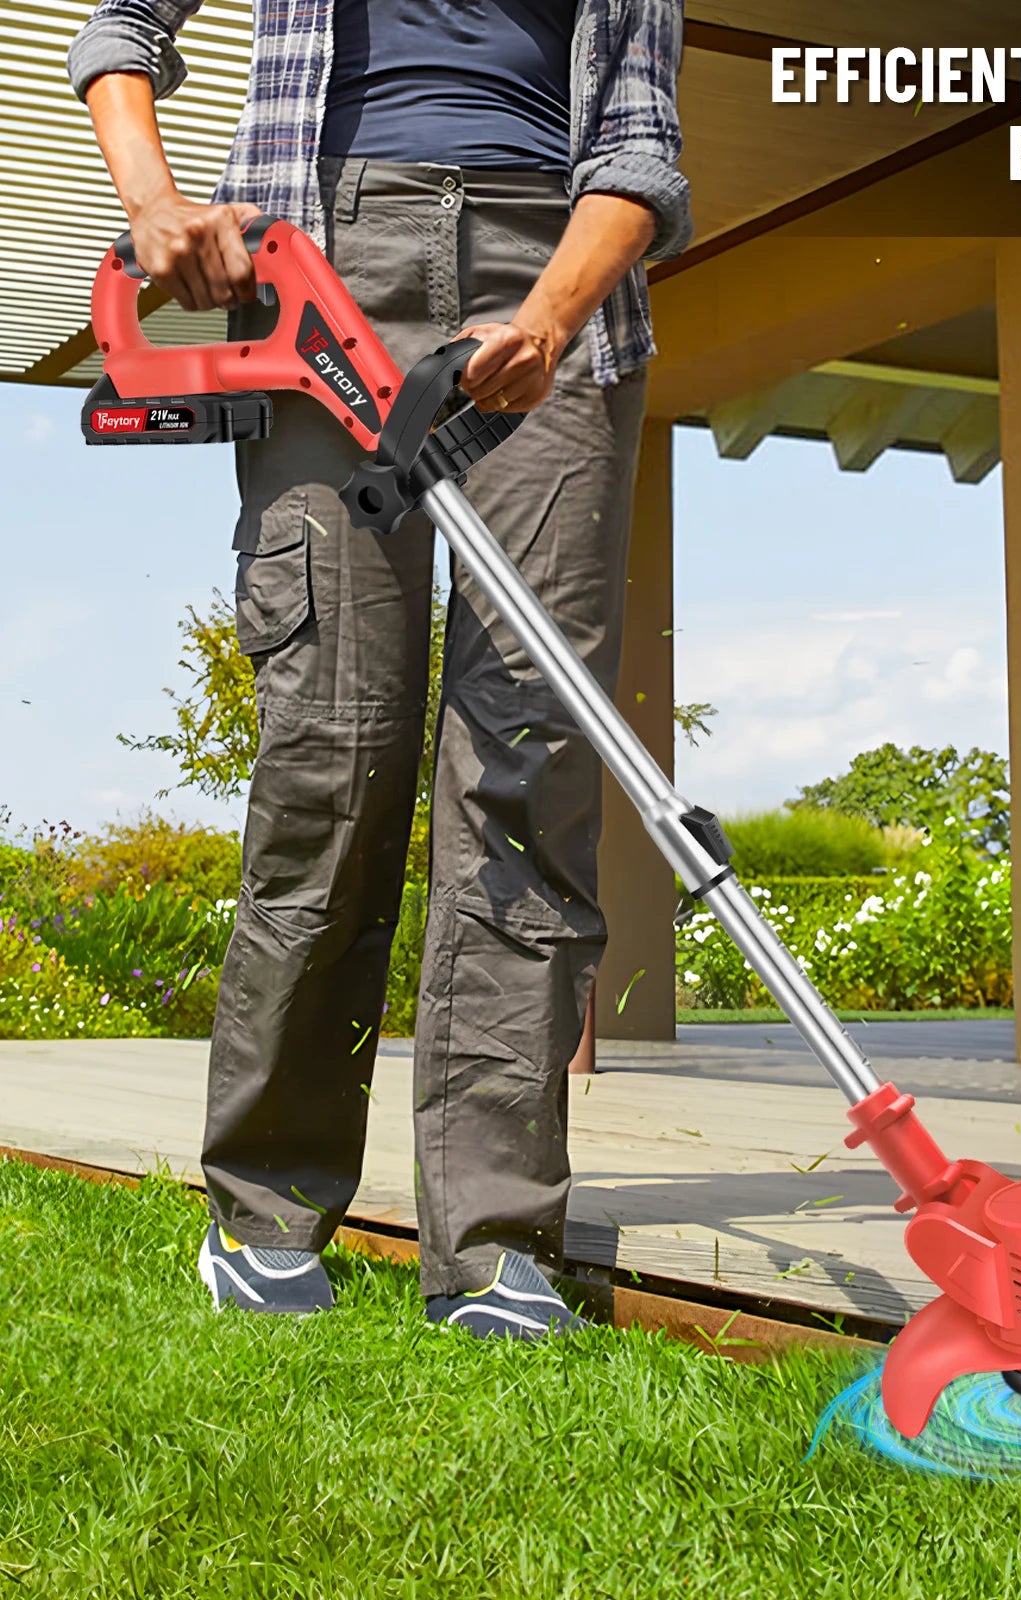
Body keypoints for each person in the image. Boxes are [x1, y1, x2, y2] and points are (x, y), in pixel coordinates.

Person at [68, 0, 690, 1339]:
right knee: (334, 750)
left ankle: (498, 1242)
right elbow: (121, 24)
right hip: (321, 259)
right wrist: (156, 198)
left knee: (528, 758)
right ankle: (268, 1205)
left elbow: (639, 149)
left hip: (553, 271)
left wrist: (551, 315)